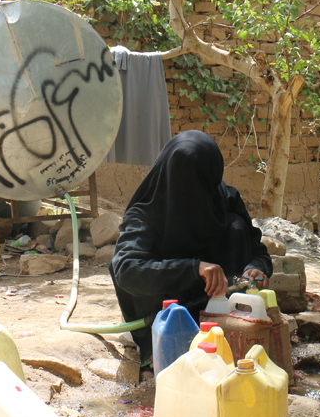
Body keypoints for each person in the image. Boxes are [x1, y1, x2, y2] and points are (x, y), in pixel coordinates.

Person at [110, 130, 272, 363]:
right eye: (183, 183)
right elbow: (126, 271)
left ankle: (229, 331)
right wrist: (193, 268)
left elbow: (258, 253)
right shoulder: (146, 214)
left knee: (236, 227)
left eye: (198, 183)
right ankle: (155, 348)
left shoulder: (224, 200)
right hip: (164, 317)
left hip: (218, 309)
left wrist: (256, 268)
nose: (191, 194)